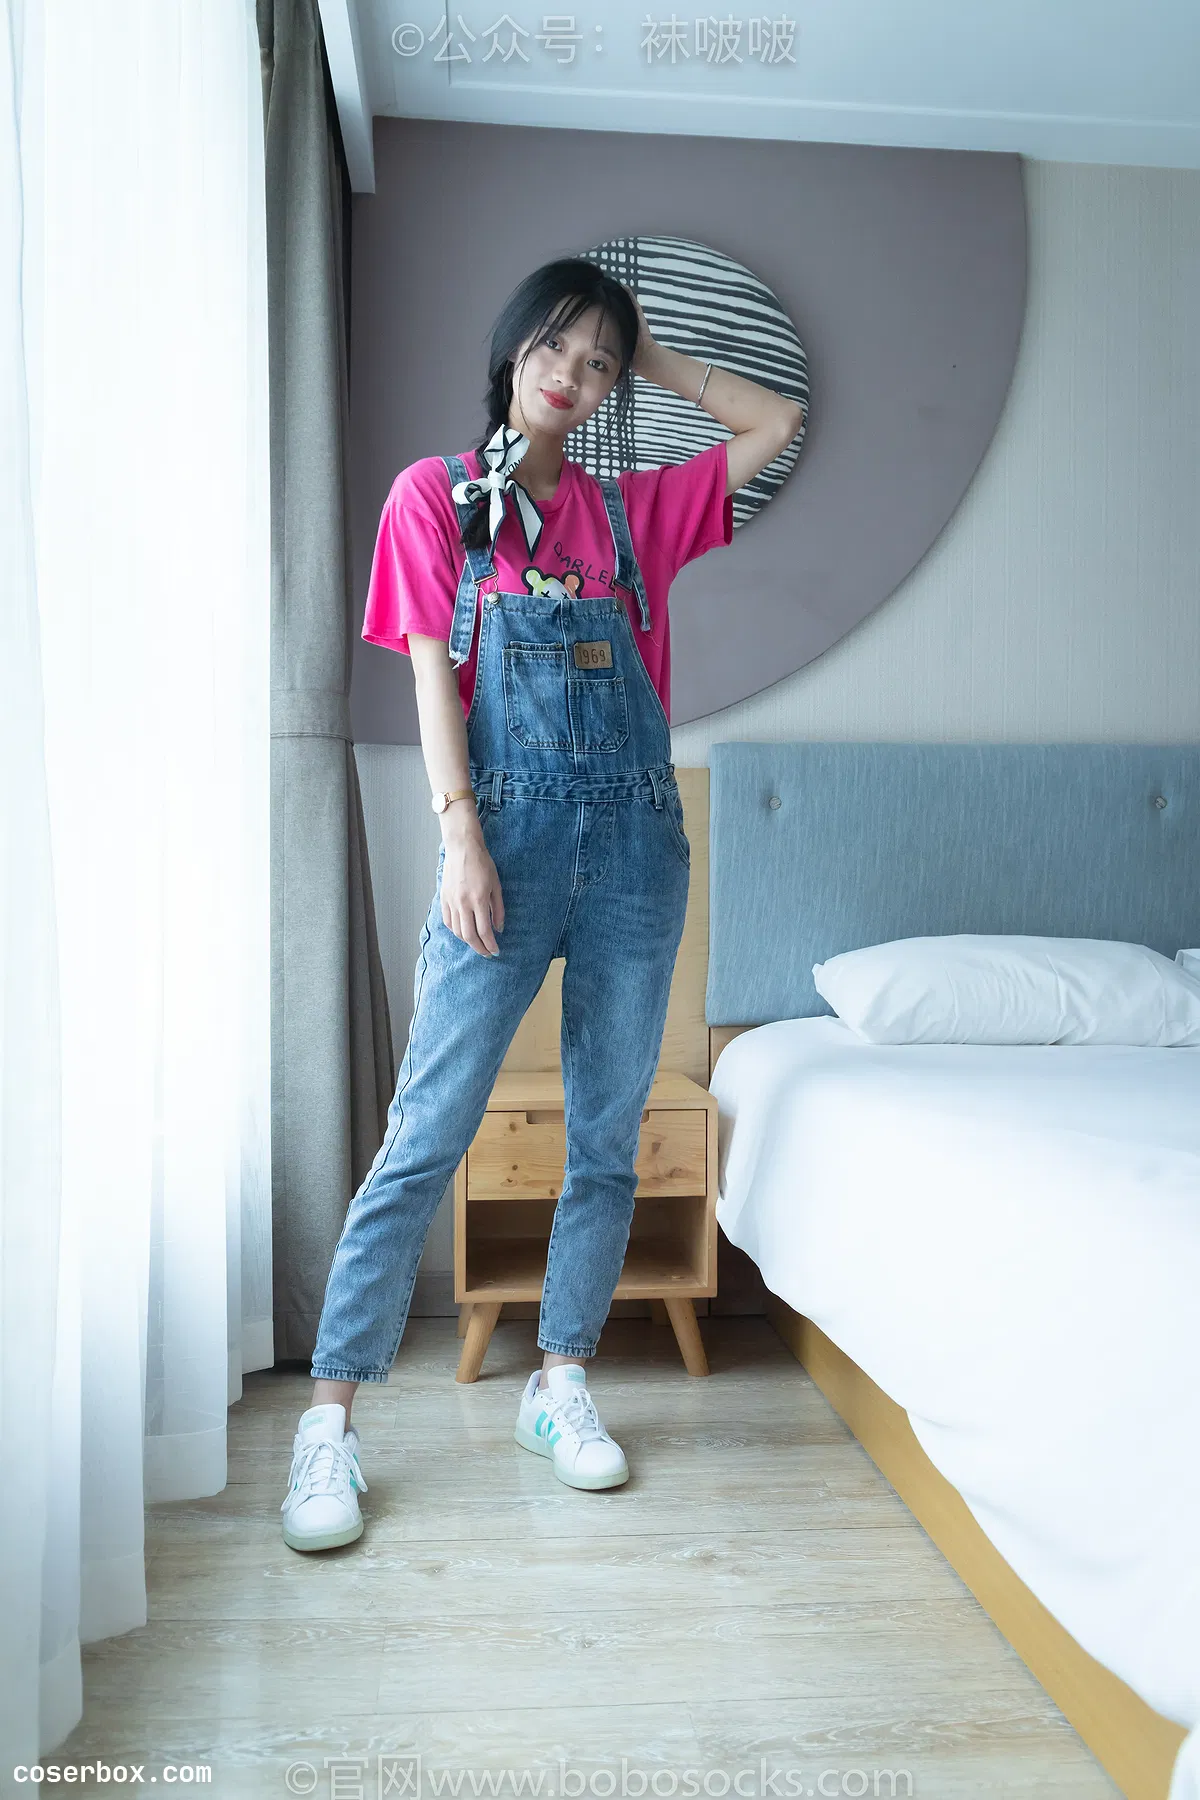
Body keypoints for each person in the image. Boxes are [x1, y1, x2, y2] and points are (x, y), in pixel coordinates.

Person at [281, 257, 805, 1552]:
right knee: (426, 1131)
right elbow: (429, 678)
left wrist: (656, 355)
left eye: (598, 362)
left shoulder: (635, 513)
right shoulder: (436, 499)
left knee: (607, 1139)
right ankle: (329, 1422)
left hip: (635, 852)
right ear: (513, 350)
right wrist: (459, 837)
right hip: (500, 847)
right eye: (555, 347)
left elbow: (776, 423)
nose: (571, 375)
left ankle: (558, 1379)